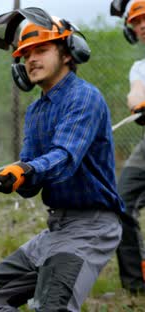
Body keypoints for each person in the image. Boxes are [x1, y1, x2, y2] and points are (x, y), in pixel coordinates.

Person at [0, 8, 124, 311]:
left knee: (52, 307)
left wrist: (27, 169)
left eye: (41, 49)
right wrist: (17, 179)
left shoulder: (84, 98)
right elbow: (32, 180)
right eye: (26, 54)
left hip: (91, 228)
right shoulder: (36, 111)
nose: (31, 59)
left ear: (68, 53)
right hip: (57, 230)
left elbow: (65, 157)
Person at [112, 0, 145, 294]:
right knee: (121, 202)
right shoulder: (139, 68)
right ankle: (137, 285)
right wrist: (139, 104)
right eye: (136, 21)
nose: (142, 24)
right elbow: (135, 95)